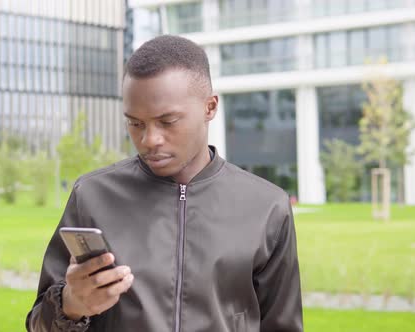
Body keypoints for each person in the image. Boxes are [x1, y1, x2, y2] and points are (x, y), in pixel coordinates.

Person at [26, 35, 303, 332]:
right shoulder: (92, 196)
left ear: (209, 108)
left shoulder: (266, 207)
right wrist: (71, 305)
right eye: (135, 123)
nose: (149, 140)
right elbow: (38, 325)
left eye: (167, 121)